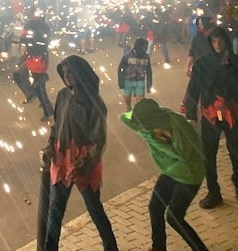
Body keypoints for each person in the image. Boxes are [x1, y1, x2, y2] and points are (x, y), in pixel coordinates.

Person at [40, 55, 118, 251]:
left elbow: (98, 140)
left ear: (80, 73)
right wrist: (49, 148)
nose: (67, 76)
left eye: (71, 72)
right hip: (61, 159)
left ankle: (111, 247)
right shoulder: (62, 95)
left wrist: (83, 164)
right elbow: (57, 126)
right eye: (64, 73)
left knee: (94, 209)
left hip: (84, 162)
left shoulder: (94, 101)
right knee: (54, 210)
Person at [120, 98, 208, 251]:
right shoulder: (147, 127)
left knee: (174, 217)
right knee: (155, 207)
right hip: (170, 171)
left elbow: (183, 154)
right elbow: (125, 118)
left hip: (189, 173)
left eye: (142, 125)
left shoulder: (175, 123)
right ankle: (158, 248)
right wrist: (148, 133)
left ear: (151, 119)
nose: (141, 129)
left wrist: (156, 141)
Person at [183, 26, 238, 209]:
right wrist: (191, 115)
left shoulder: (235, 63)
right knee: (208, 155)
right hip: (210, 117)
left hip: (233, 116)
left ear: (226, 41)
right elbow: (193, 90)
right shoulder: (202, 64)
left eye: (220, 40)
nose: (218, 44)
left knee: (236, 153)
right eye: (214, 40)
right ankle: (214, 192)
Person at [117, 37, 153, 111]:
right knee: (127, 100)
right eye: (144, 47)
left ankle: (137, 115)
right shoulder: (127, 56)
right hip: (127, 81)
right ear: (139, 47)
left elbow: (149, 71)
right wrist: (121, 82)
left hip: (140, 81)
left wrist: (149, 85)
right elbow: (120, 69)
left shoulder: (146, 57)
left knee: (140, 103)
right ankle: (129, 111)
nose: (146, 49)